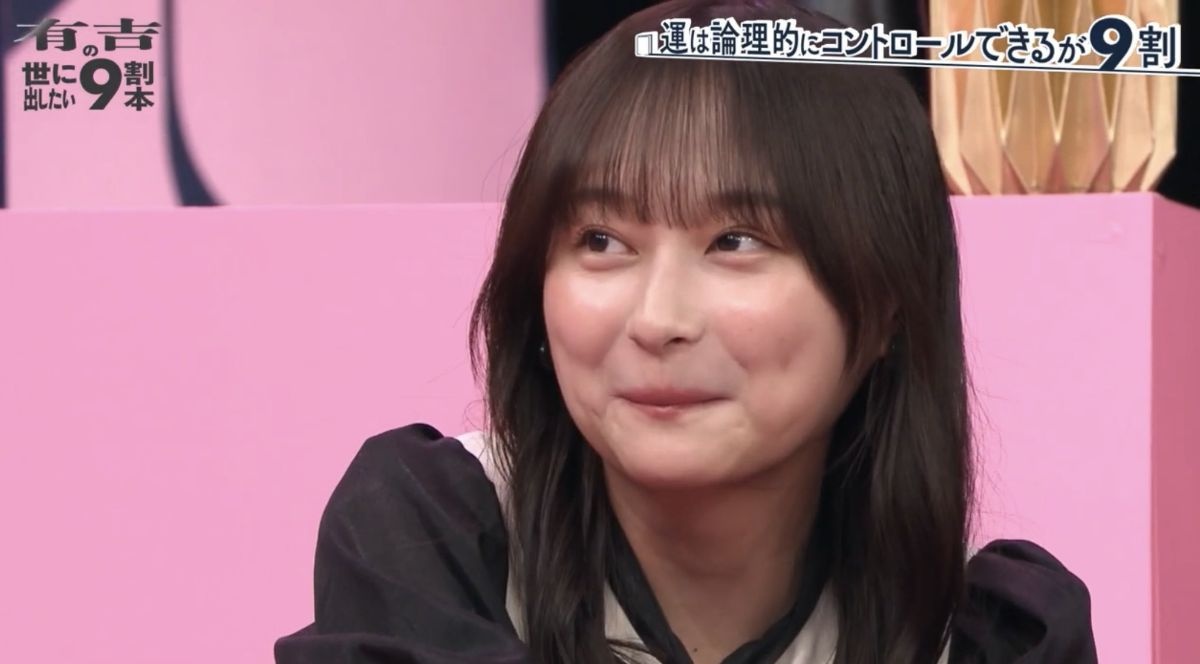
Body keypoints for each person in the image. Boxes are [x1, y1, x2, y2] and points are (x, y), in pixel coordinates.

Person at [274, 1, 1098, 662]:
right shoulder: (432, 537)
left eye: (735, 241)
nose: (658, 320)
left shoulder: (989, 637)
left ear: (886, 304)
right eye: (602, 242)